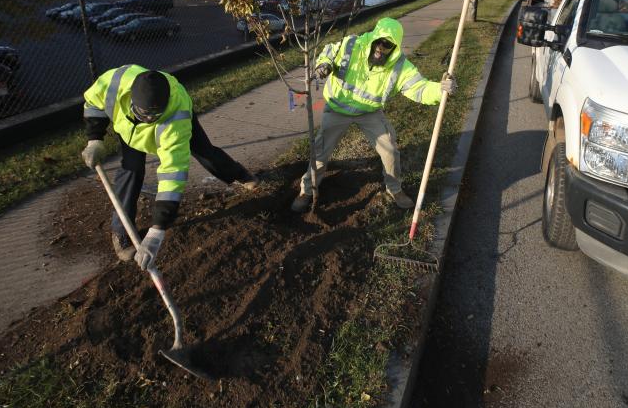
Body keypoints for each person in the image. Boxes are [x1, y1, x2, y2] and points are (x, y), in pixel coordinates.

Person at [81, 64, 258, 268]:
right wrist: (95, 140)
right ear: (131, 98)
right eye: (144, 114)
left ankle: (241, 175)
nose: (148, 119)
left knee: (205, 152)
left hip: (171, 122)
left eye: (153, 116)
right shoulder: (113, 84)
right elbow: (93, 103)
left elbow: (172, 173)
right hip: (128, 129)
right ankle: (121, 232)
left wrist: (158, 229)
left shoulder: (177, 119)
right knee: (131, 169)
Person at [292, 17, 456, 212]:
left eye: (387, 44)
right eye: (378, 41)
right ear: (373, 38)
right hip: (337, 108)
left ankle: (394, 189)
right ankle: (307, 191)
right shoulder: (352, 45)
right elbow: (329, 51)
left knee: (389, 148)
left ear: (395, 47)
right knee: (320, 151)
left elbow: (419, 88)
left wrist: (440, 89)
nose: (380, 47)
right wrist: (324, 64)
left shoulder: (399, 66)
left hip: (369, 112)